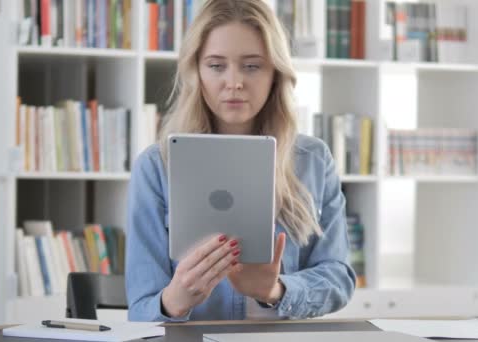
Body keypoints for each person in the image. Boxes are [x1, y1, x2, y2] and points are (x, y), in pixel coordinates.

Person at [126, 0, 355, 321]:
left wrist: (274, 290)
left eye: (252, 66)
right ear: (196, 72)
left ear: (275, 73)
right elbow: (140, 311)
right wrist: (177, 298)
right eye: (216, 65)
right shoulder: (157, 165)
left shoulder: (313, 159)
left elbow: (338, 278)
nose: (234, 82)